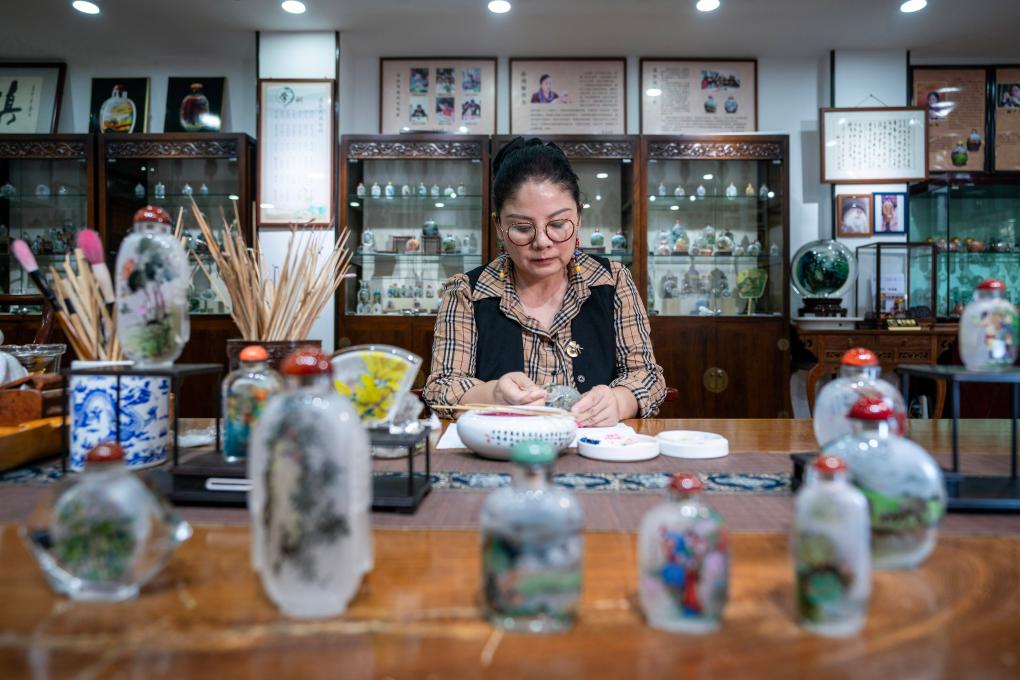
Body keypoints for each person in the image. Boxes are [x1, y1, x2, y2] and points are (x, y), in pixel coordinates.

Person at [423, 137, 666, 426]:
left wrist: (618, 400)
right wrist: (493, 394)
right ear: (499, 226)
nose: (542, 242)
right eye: (522, 227)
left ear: (579, 217)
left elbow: (647, 375)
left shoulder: (612, 281)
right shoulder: (467, 291)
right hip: (504, 448)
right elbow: (442, 387)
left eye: (558, 224)